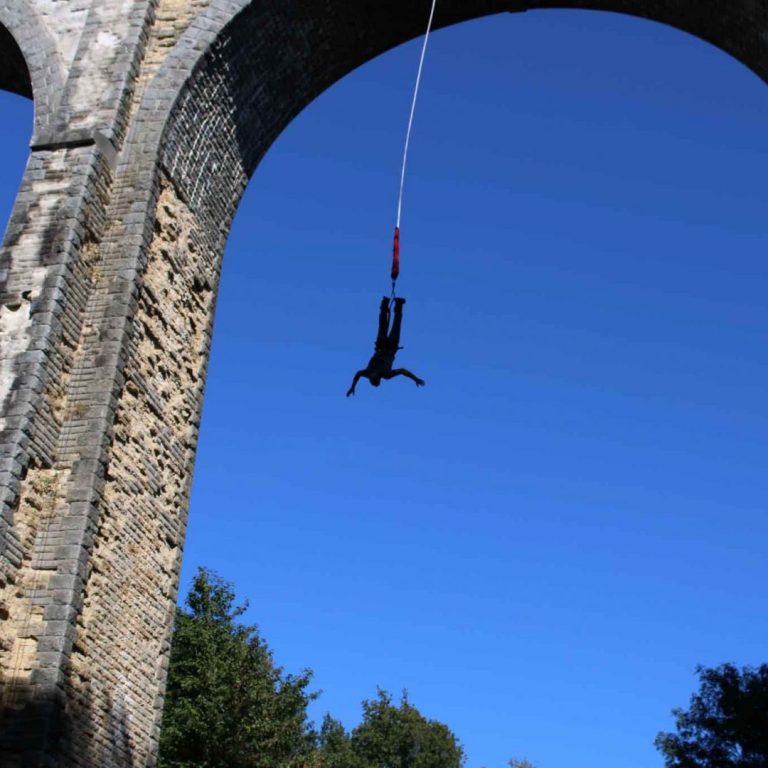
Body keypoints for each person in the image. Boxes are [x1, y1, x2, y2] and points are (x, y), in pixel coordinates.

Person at [346, 296, 425, 396]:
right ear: (379, 378)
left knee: (383, 325)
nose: (375, 375)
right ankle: (398, 304)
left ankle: (385, 303)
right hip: (391, 347)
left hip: (381, 346)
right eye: (377, 377)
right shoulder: (386, 375)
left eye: (374, 377)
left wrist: (353, 387)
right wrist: (415, 378)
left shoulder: (367, 372)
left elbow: (358, 374)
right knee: (396, 325)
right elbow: (402, 371)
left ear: (370, 377)